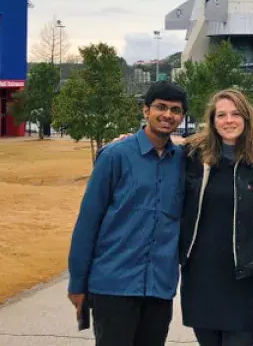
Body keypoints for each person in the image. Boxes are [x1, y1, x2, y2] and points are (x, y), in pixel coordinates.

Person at [67, 81, 188, 346]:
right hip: (113, 285)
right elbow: (88, 221)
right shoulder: (115, 156)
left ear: (182, 117)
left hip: (159, 287)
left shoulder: (184, 160)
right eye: (161, 107)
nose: (168, 115)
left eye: (175, 110)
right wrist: (77, 282)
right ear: (146, 110)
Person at [179, 89, 253, 346]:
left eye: (235, 114)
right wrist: (126, 142)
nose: (228, 120)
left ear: (247, 118)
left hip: (245, 274)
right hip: (201, 274)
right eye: (221, 115)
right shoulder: (193, 155)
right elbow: (157, 154)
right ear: (212, 121)